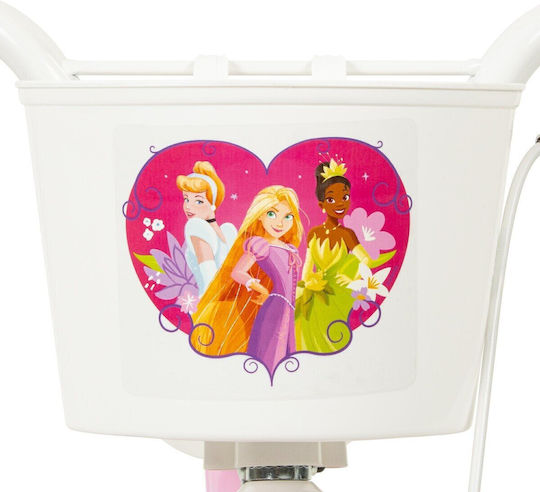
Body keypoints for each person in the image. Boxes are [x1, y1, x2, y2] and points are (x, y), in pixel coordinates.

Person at [191, 185, 303, 377]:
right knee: (270, 350)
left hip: (289, 309)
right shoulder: (260, 245)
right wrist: (258, 287)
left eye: (288, 216)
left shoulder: (289, 248)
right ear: (259, 215)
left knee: (285, 353)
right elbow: (238, 272)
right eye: (271, 214)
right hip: (274, 307)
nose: (280, 223)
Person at [295, 159, 395, 353]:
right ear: (322, 204)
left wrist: (352, 279)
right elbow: (308, 265)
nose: (340, 203)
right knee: (302, 320)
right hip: (316, 289)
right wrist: (307, 285)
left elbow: (366, 260)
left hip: (338, 290)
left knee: (332, 333)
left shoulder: (346, 234)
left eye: (345, 196)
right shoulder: (314, 233)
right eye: (332, 199)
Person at [177, 161, 237, 295]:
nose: (188, 206)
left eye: (198, 201)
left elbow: (210, 278)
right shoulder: (225, 232)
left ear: (212, 203)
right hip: (231, 299)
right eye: (186, 199)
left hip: (212, 300)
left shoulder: (198, 229)